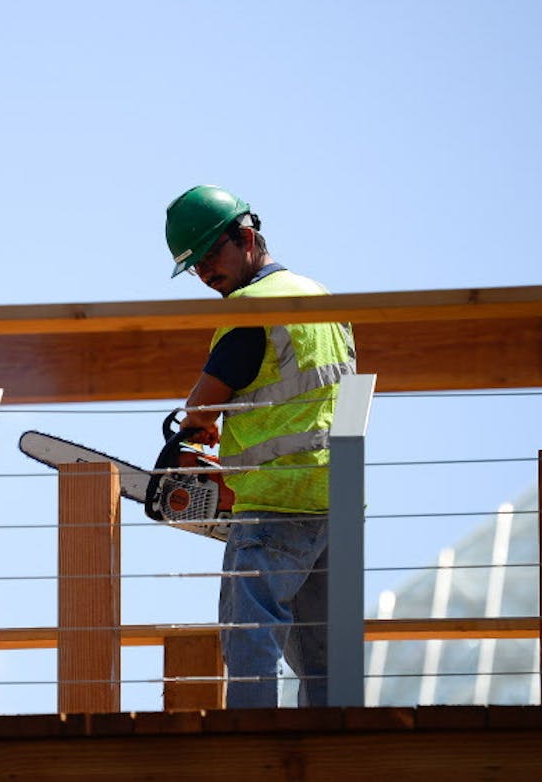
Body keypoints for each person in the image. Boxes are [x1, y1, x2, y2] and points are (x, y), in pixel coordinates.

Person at [165, 184, 356, 708]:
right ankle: (335, 749)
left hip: (276, 498)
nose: (205, 273)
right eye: (195, 266)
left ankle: (253, 740)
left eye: (210, 255)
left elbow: (202, 407)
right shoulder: (320, 296)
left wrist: (192, 433)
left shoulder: (251, 307)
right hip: (334, 497)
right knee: (323, 654)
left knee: (250, 629)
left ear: (246, 237)